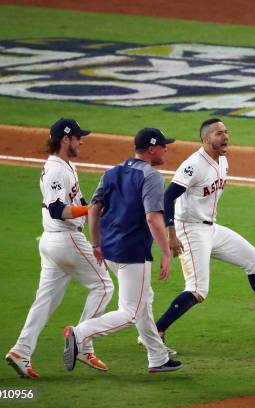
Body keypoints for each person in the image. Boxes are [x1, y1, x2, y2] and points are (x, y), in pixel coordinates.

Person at [143, 118, 255, 351]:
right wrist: (171, 234)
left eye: (226, 132)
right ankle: (155, 333)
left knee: (254, 259)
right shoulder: (194, 165)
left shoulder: (222, 161)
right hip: (189, 229)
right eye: (219, 133)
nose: (226, 136)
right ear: (205, 139)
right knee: (198, 290)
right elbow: (168, 197)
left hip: (211, 228)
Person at [62, 128, 182, 373]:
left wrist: (96, 244)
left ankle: (157, 357)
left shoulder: (111, 172)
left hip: (110, 249)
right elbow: (152, 218)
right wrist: (166, 252)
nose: (166, 149)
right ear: (151, 148)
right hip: (132, 252)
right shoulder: (152, 177)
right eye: (163, 145)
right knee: (130, 311)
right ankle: (79, 333)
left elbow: (94, 209)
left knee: (143, 302)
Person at [6, 118, 114, 378]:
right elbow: (58, 210)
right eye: (78, 137)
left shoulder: (66, 166)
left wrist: (99, 209)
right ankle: (82, 341)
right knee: (103, 286)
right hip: (65, 239)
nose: (81, 141)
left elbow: (80, 200)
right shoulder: (57, 170)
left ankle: (21, 351)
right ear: (66, 139)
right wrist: (90, 210)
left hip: (52, 243)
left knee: (45, 301)